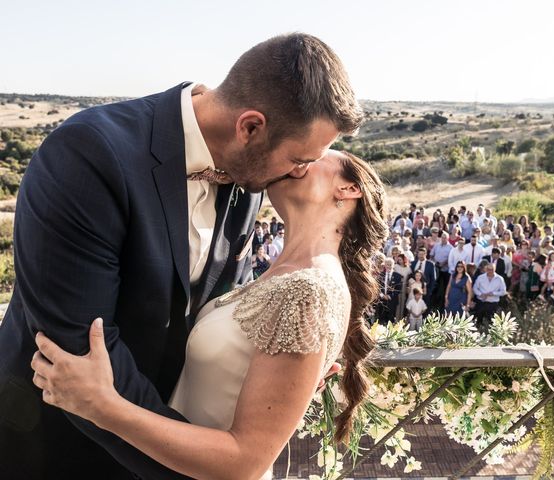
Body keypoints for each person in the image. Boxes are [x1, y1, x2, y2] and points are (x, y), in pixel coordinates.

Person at [1, 33, 364, 479]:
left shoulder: (247, 176)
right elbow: (77, 347)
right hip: (54, 445)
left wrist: (282, 374)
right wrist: (203, 466)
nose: (299, 171)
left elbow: (210, 309)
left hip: (165, 436)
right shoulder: (90, 154)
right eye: (298, 158)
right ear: (250, 127)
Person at [31, 150, 389, 480]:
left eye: (314, 156)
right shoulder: (281, 273)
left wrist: (103, 408)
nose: (297, 160)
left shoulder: (311, 289)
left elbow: (245, 461)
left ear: (349, 188)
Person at [472, 263, 507, 331]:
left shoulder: (500, 279)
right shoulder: (480, 277)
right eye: (488, 269)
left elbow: (503, 292)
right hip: (481, 302)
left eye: (492, 269)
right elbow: (475, 288)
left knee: (491, 323)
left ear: (495, 269)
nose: (490, 271)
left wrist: (493, 293)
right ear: (486, 269)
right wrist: (480, 294)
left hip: (492, 303)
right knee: (478, 321)